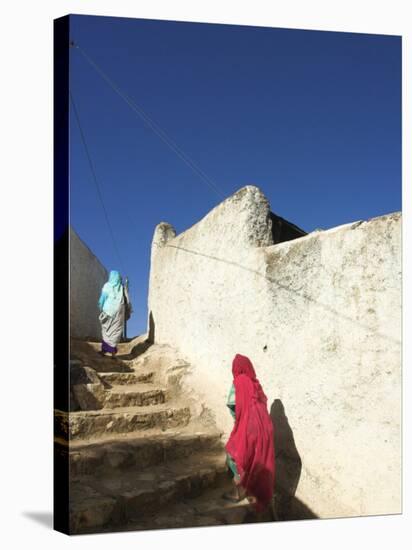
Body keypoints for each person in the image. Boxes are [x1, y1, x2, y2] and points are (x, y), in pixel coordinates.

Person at [224, 354, 275, 512]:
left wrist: (237, 423)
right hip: (266, 429)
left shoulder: (239, 381)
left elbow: (233, 404)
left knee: (236, 457)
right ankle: (261, 496)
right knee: (259, 461)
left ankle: (240, 492)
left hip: (250, 428)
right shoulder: (256, 383)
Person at [97, 270, 129, 358]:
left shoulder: (107, 285)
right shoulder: (122, 288)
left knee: (106, 330)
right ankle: (113, 354)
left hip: (108, 311)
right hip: (119, 312)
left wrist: (100, 306)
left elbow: (102, 298)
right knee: (115, 331)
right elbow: (127, 300)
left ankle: (104, 351)